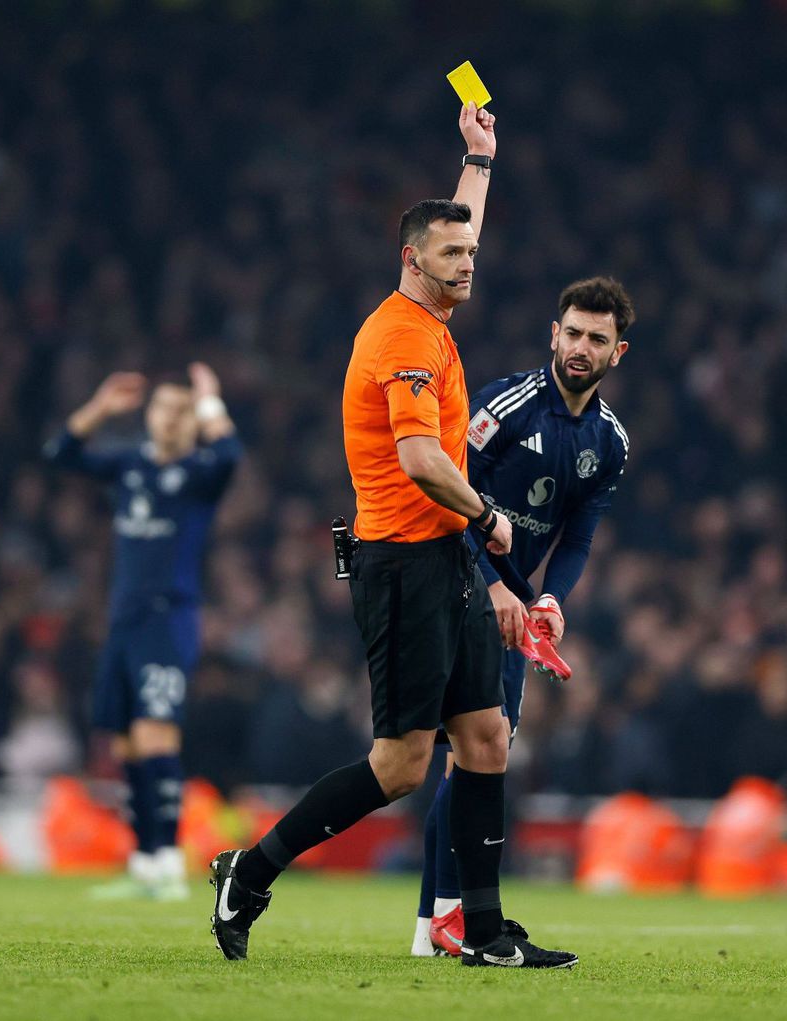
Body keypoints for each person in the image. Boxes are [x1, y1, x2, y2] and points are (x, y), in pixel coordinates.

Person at [208, 103, 577, 969]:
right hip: (404, 562)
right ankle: (249, 870)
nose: (469, 265)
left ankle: (480, 930)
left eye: (472, 254)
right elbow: (418, 458)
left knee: (485, 737)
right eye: (453, 257)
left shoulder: (432, 311)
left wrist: (477, 161)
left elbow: (455, 229)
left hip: (441, 557)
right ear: (411, 262)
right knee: (404, 764)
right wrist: (487, 519)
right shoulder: (402, 339)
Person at [411, 277, 634, 957]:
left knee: (480, 757)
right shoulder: (506, 407)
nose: (580, 346)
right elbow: (446, 497)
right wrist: (493, 586)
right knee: (458, 754)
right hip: (455, 582)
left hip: (511, 607)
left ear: (616, 352)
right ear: (553, 334)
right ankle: (449, 915)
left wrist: (550, 597)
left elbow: (579, 535)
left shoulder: (611, 442)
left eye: (597, 338)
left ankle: (435, 923)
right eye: (572, 332)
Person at [44, 363, 241, 898]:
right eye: (162, 407)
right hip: (123, 622)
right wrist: (102, 408)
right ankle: (145, 860)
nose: (170, 418)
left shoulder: (200, 474)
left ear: (192, 420)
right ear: (148, 415)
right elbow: (60, 453)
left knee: (157, 733)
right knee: (126, 742)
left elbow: (230, 456)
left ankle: (169, 860)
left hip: (168, 618)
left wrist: (209, 401)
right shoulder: (130, 465)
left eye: (181, 410)